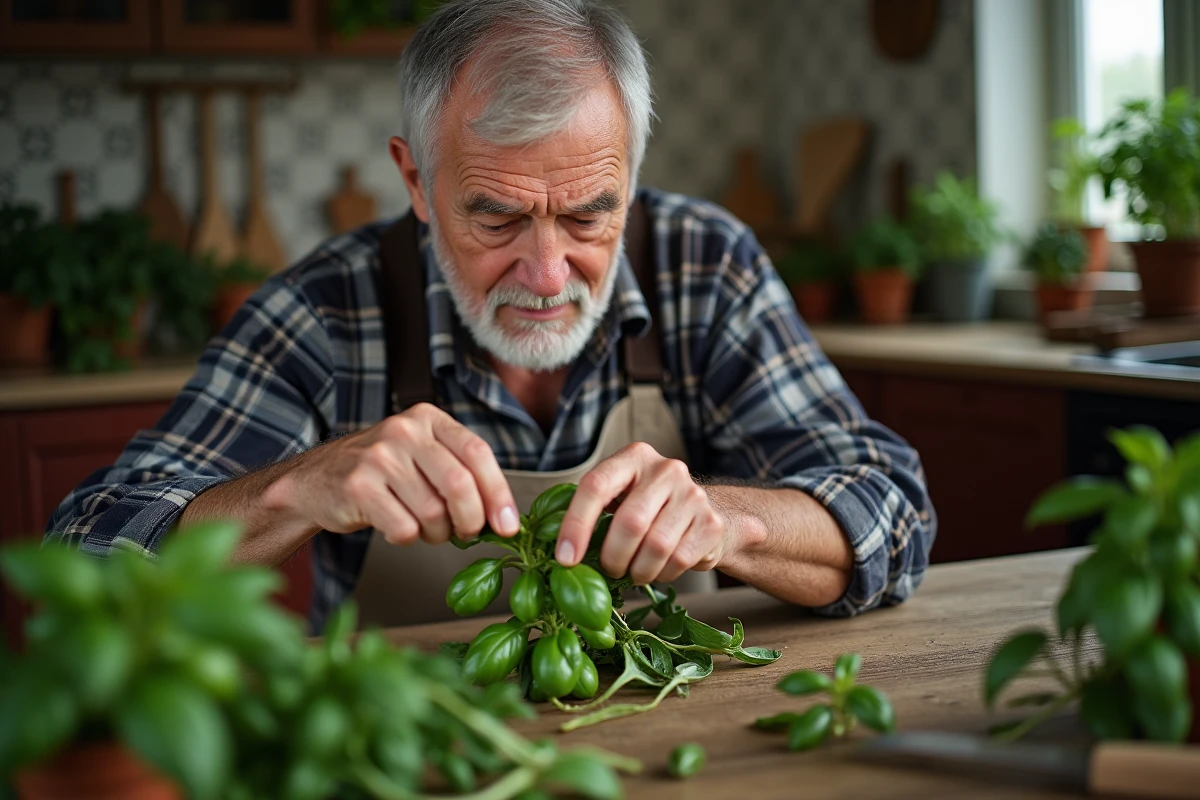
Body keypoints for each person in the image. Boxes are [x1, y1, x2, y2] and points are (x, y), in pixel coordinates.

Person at [47, 0, 935, 632]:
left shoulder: (706, 265)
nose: (547, 272)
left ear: (630, 171)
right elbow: (86, 562)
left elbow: (891, 512)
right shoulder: (323, 310)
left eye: (590, 213)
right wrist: (296, 490)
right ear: (415, 181)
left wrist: (734, 520)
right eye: (496, 217)